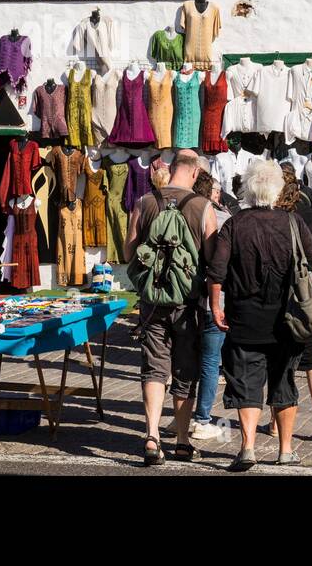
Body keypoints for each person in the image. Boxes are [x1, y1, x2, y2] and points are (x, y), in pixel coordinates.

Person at [207, 159, 312, 470]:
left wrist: (216, 307)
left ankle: (248, 448)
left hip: (243, 318)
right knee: (284, 382)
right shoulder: (293, 222)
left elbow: (216, 273)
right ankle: (285, 450)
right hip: (288, 319)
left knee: (245, 382)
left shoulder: (234, 224)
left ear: (247, 189)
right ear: (275, 190)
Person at [125, 149, 215, 465]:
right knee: (184, 371)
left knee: (153, 367)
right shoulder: (203, 207)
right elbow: (213, 260)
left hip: (152, 302)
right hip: (188, 303)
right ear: (194, 173)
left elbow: (129, 251)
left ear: (173, 168)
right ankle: (181, 440)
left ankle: (151, 435)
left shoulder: (144, 202)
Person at [275, 165, 312, 442]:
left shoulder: (267, 220)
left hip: (274, 300)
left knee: (278, 363)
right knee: (311, 362)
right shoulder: (298, 222)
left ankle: (276, 423)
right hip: (301, 298)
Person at [188, 170, 230, 442]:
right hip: (214, 298)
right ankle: (202, 418)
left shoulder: (181, 212)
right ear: (211, 193)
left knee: (186, 360)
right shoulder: (222, 218)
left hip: (185, 296)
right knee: (210, 361)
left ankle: (183, 417)